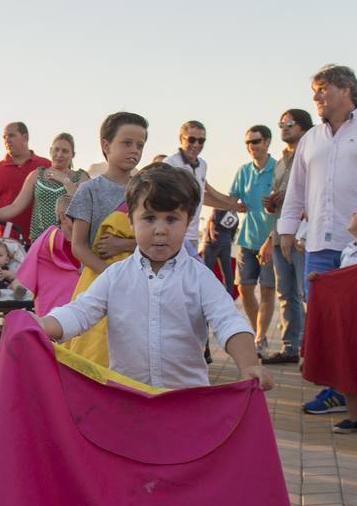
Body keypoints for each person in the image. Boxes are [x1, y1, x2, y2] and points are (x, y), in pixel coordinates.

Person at [38, 163, 273, 392]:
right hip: (128, 403)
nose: (160, 229)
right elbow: (80, 312)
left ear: (188, 221)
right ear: (131, 220)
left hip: (185, 404)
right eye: (149, 218)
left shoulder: (200, 278)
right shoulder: (115, 276)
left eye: (171, 219)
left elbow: (228, 321)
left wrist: (249, 364)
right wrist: (40, 326)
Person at [278, 66, 357, 415]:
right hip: (319, 243)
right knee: (326, 322)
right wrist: (287, 229)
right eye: (314, 91)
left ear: (346, 88)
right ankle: (337, 390)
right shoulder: (311, 139)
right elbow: (297, 189)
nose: (316, 97)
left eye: (322, 89)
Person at [309, 201, 357, 435]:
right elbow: (343, 280)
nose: (352, 214)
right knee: (348, 362)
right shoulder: (348, 250)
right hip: (350, 318)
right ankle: (353, 417)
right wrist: (321, 280)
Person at [261, 109, 314, 365]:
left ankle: (312, 350)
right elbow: (277, 201)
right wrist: (272, 203)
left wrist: (296, 200)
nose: (283, 127)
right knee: (285, 292)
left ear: (303, 127)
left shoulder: (312, 152)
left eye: (288, 123)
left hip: (305, 234)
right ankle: (290, 346)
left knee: (308, 294)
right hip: (282, 232)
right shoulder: (281, 161)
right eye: (280, 123)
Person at [0, 133, 89, 242]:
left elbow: (83, 206)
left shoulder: (81, 177)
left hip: (70, 242)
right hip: (41, 241)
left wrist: (64, 180)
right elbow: (15, 207)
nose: (59, 154)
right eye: (56, 149)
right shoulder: (37, 175)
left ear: (72, 155)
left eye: (65, 151)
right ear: (50, 150)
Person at [67, 113, 147, 274]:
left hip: (140, 279)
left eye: (140, 145)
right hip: (98, 283)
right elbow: (78, 246)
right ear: (106, 146)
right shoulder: (88, 190)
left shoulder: (146, 191)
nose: (134, 150)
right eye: (127, 143)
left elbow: (157, 240)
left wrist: (124, 244)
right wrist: (111, 275)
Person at [228, 125, 279, 355]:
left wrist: (272, 239)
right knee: (244, 288)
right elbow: (231, 200)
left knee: (267, 290)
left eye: (256, 141)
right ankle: (257, 330)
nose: (252, 147)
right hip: (246, 239)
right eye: (248, 143)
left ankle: (259, 337)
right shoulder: (243, 171)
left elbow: (285, 209)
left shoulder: (278, 169)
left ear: (267, 141)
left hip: (270, 240)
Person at [164, 121, 238, 255]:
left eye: (201, 141)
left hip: (193, 234)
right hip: (173, 234)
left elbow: (201, 197)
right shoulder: (170, 163)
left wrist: (232, 206)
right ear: (181, 139)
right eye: (191, 140)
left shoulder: (202, 165)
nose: (196, 145)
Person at [0, 122, 51, 242]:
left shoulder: (46, 165)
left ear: (25, 137)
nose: (7, 140)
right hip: (4, 245)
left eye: (11, 135)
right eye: (4, 137)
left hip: (42, 240)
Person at [201, 208, 238, 296]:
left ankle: (206, 294)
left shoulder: (219, 208)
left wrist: (211, 236)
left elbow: (212, 222)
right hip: (226, 240)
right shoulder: (235, 215)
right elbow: (233, 232)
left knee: (206, 269)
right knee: (227, 270)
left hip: (213, 240)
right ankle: (229, 294)